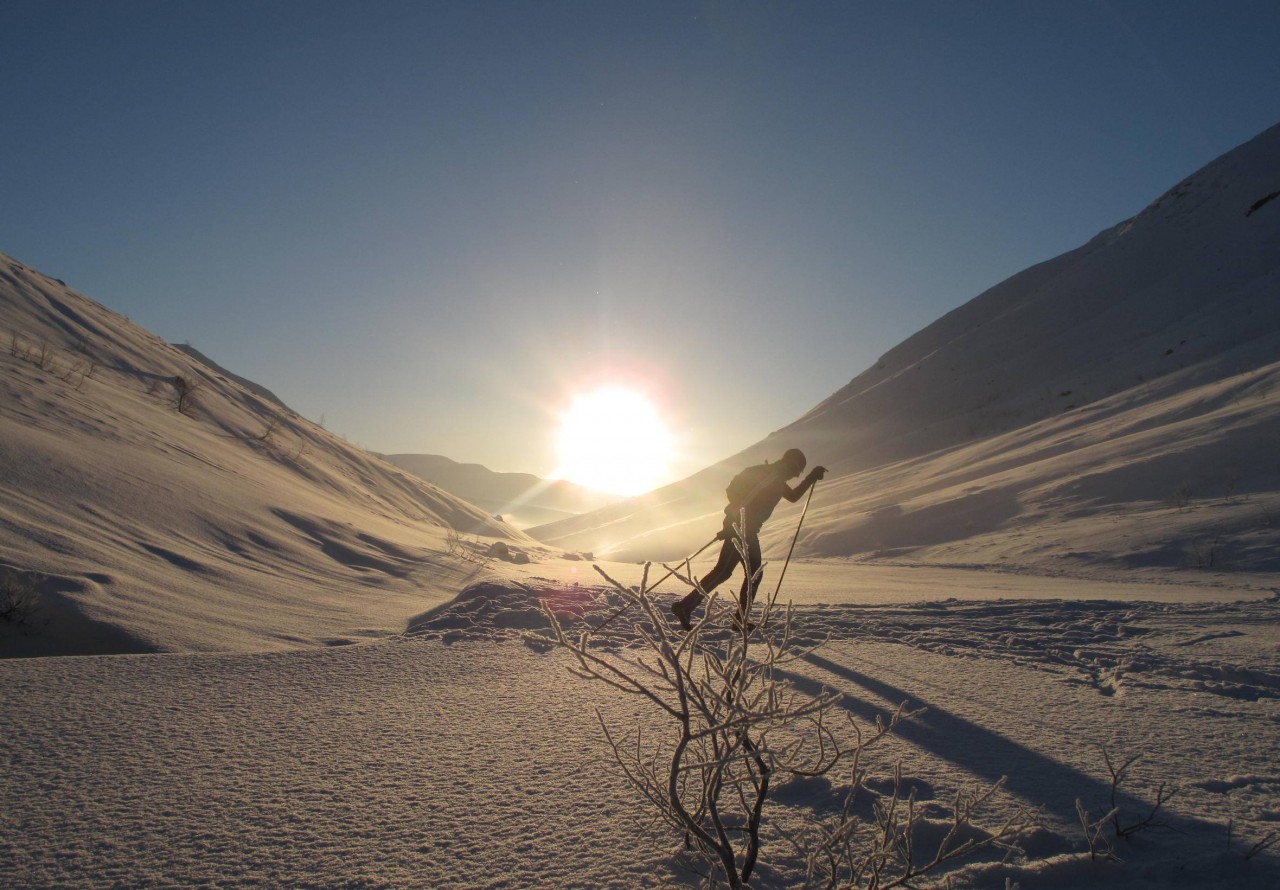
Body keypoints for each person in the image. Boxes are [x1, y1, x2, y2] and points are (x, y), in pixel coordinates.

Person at [671, 448, 825, 630]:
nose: (795, 476)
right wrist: (734, 522)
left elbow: (792, 497)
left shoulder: (776, 479)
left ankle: (691, 608)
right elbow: (733, 490)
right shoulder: (767, 475)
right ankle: (715, 614)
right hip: (741, 529)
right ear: (790, 465)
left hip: (746, 530)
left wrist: (812, 477)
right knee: (738, 574)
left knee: (728, 573)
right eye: (796, 471)